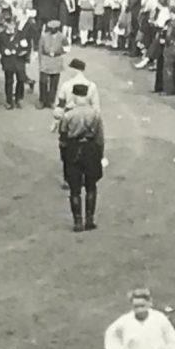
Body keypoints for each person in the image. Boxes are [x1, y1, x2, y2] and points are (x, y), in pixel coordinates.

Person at [55, 71, 105, 232]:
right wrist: (100, 155)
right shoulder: (95, 114)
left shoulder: (68, 115)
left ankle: (77, 222)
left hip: (73, 149)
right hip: (90, 149)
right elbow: (100, 137)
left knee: (75, 189)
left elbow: (62, 137)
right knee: (91, 186)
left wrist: (64, 156)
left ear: (75, 97)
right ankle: (89, 219)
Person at [36, 16, 68, 109]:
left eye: (55, 28)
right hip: (46, 61)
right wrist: (40, 62)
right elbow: (40, 50)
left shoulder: (62, 37)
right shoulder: (44, 36)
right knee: (43, 82)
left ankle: (51, 101)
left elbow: (67, 48)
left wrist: (59, 52)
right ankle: (42, 100)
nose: (53, 30)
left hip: (56, 62)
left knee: (54, 83)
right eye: (51, 28)